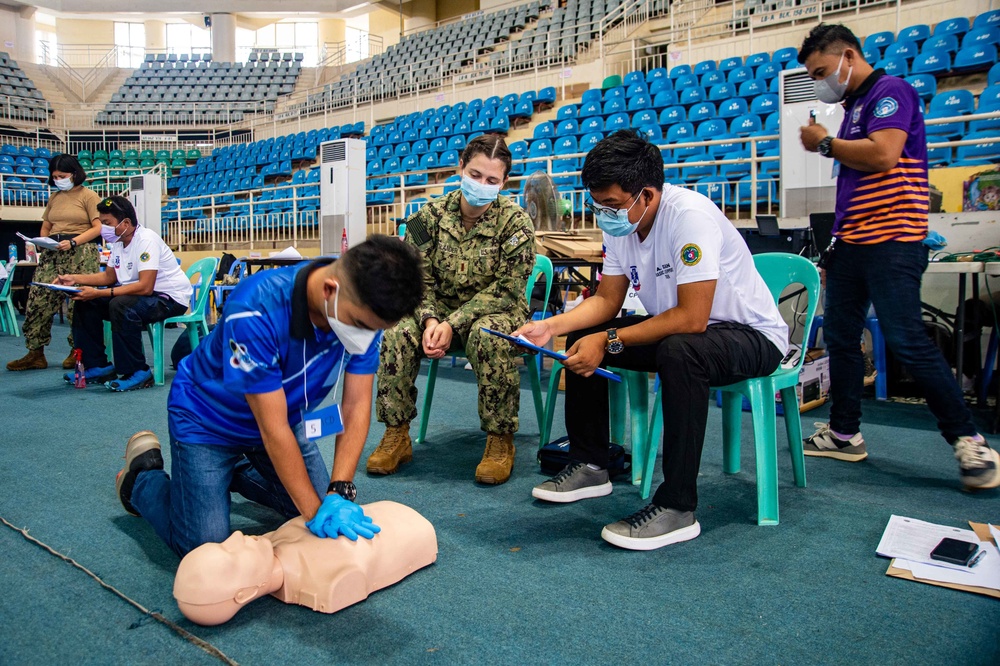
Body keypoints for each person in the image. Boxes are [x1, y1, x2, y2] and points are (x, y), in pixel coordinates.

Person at [513, 130, 789, 551]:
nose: (605, 214)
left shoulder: (689, 217)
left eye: (612, 205)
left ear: (647, 194)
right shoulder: (623, 223)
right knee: (584, 332)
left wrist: (609, 340)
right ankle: (590, 464)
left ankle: (678, 507)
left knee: (679, 351)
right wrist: (553, 326)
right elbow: (607, 300)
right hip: (682, 330)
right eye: (597, 204)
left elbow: (693, 318)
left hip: (750, 336)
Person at [115, 236, 425, 557]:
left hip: (286, 419)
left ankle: (226, 472)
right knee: (204, 546)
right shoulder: (255, 307)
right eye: (361, 325)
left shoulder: (362, 310)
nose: (366, 337)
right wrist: (316, 513)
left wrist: (339, 491)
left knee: (315, 507)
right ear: (330, 290)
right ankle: (141, 480)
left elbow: (356, 404)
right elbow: (271, 428)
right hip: (209, 421)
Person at [797, 23, 999, 490]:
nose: (819, 81)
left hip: (891, 241)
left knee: (907, 339)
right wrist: (836, 246)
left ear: (849, 55)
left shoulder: (892, 91)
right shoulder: (854, 108)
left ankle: (971, 441)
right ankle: (845, 433)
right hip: (851, 242)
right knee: (843, 339)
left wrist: (825, 143)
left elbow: (884, 155)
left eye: (822, 71)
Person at [370, 133, 535, 485]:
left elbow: (508, 289)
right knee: (397, 330)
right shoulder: (424, 217)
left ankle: (499, 440)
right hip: (438, 309)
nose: (481, 185)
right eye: (475, 175)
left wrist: (453, 323)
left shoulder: (516, 223)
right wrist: (431, 320)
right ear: (460, 168)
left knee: (487, 336)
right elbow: (416, 281)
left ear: (504, 182)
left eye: (492, 180)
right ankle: (396, 434)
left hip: (498, 312)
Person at [173, 501, 438, 625]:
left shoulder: (271, 541)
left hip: (401, 521)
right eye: (231, 553)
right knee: (196, 532)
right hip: (406, 530)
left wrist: (338, 491)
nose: (235, 536)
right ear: (245, 593)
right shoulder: (324, 583)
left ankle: (239, 468)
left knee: (314, 492)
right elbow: (355, 575)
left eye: (222, 544)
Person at [54, 196, 191, 391]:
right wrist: (74, 279)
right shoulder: (119, 242)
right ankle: (97, 366)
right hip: (142, 296)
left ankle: (138, 372)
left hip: (169, 298)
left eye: (107, 223)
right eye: (102, 223)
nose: (103, 228)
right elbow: (108, 277)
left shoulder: (146, 240)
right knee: (85, 301)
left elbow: (145, 287)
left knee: (119, 304)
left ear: (125, 223)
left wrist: (101, 293)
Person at [7, 154, 102, 372]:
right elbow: (46, 225)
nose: (58, 179)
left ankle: (77, 351)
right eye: (55, 176)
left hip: (80, 251)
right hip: (53, 253)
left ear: (75, 174)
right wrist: (43, 241)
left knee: (78, 302)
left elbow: (98, 228)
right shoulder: (55, 197)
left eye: (63, 175)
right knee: (38, 300)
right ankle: (35, 352)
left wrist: (73, 241)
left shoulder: (89, 196)